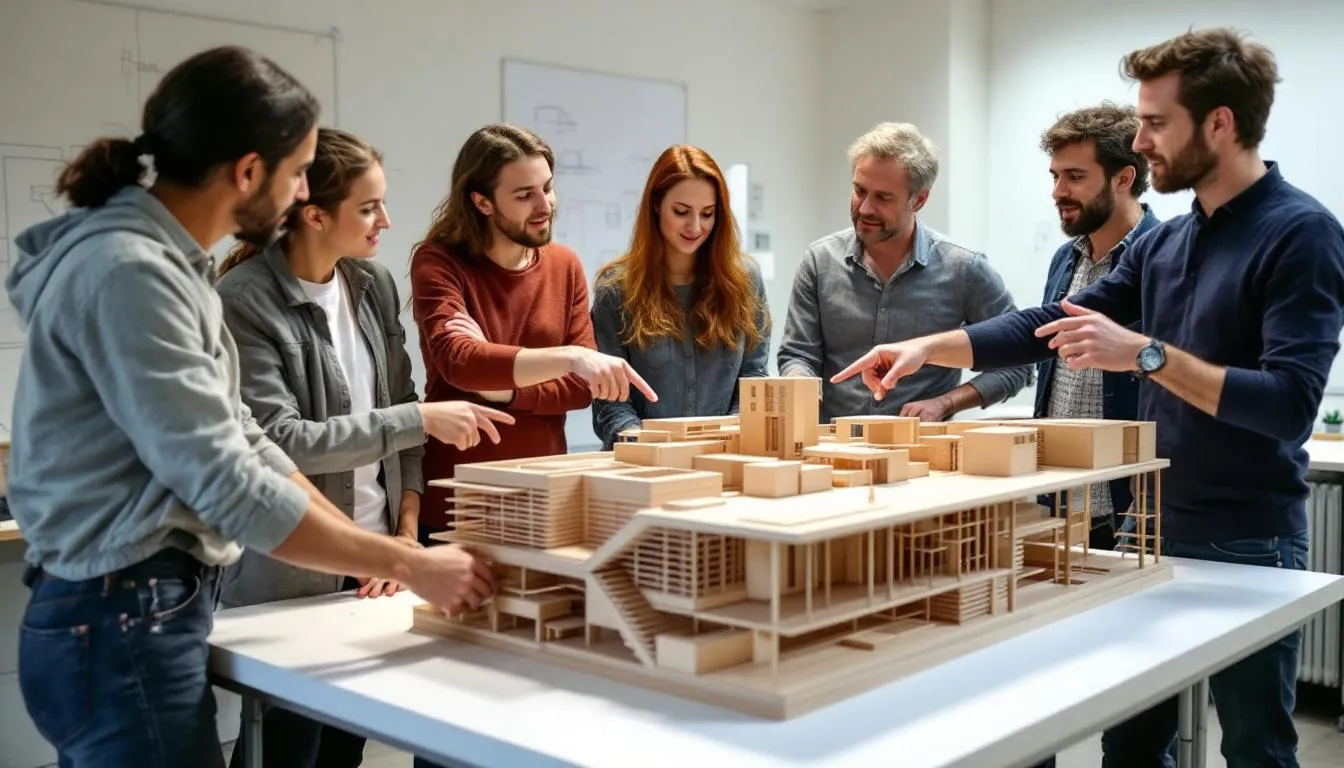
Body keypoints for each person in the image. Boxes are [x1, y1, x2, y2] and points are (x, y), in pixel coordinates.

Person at [834, 28, 1344, 768]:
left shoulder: (1302, 233)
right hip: (1153, 526)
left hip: (1248, 539)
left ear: (1219, 123)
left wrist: (1143, 353)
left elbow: (1289, 405)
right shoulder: (1170, 244)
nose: (1141, 141)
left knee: (1256, 748)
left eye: (1157, 122)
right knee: (1132, 744)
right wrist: (927, 347)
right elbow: (1049, 324)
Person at [3, 46, 497, 768]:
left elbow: (249, 443)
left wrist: (394, 553)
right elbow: (228, 482)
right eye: (297, 173)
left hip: (137, 610)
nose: (301, 196)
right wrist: (411, 564)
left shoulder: (171, 269)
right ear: (247, 172)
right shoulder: (133, 274)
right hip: (117, 615)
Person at [214, 127, 514, 768]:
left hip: (378, 569)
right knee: (287, 750)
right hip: (292, 576)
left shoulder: (372, 285)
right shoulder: (243, 301)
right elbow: (282, 442)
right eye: (370, 207)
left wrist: (403, 536)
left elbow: (402, 410)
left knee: (343, 753)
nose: (387, 220)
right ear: (315, 215)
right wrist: (418, 419)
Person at [409, 122, 656, 545]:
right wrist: (570, 357)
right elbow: (460, 362)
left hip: (544, 499)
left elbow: (579, 390)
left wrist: (501, 390)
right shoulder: (439, 262)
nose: (545, 205)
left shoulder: (564, 265)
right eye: (524, 195)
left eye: (548, 188)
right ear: (482, 202)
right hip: (459, 502)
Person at [776, 122, 1031, 425]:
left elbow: (1017, 361)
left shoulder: (965, 270)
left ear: (919, 199)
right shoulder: (819, 262)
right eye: (859, 191)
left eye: (883, 198)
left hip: (923, 448)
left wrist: (945, 403)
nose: (865, 208)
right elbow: (798, 354)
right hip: (831, 445)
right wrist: (800, 386)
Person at [1034, 102, 1161, 552]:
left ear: (1123, 178)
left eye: (1075, 176)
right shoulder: (1064, 259)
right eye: (1055, 176)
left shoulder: (1166, 257)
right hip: (1059, 499)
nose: (1058, 191)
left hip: (1130, 505)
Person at [590, 145, 770, 449]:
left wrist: (728, 441)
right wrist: (646, 447)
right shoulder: (616, 289)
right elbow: (610, 402)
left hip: (724, 456)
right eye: (681, 212)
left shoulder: (745, 280)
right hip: (643, 461)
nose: (695, 226)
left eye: (708, 214)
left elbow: (754, 380)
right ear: (656, 205)